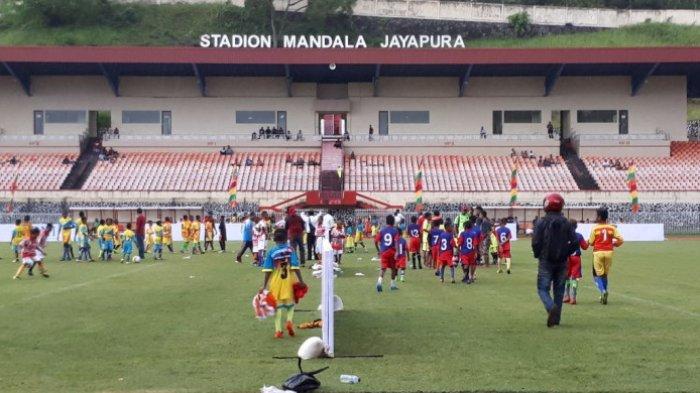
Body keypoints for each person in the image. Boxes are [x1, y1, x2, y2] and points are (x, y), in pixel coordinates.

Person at [532, 193, 579, 327]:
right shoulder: (566, 222)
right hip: (562, 261)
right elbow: (575, 242)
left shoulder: (542, 222)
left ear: (546, 205)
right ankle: (556, 319)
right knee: (559, 290)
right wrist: (566, 252)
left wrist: (537, 254)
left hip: (546, 260)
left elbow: (536, 242)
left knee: (542, 288)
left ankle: (550, 307)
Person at [261, 229, 306, 339]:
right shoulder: (290, 250)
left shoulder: (272, 252)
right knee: (291, 305)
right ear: (286, 238)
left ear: (274, 239)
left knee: (277, 306)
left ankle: (278, 331)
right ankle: (289, 321)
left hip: (276, 282)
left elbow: (268, 270)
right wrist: (301, 280)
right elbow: (295, 267)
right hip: (289, 280)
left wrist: (264, 285)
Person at [588, 207, 624, 305]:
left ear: (599, 217)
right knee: (604, 274)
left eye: (596, 215)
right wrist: (614, 244)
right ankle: (603, 295)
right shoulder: (612, 228)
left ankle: (603, 291)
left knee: (597, 275)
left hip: (598, 253)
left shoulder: (595, 228)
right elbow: (621, 240)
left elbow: (591, 242)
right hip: (609, 252)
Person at [564, 220, 589, 305]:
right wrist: (588, 242)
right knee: (574, 278)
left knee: (566, 277)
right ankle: (573, 298)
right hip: (576, 259)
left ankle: (567, 296)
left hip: (567, 258)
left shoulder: (564, 236)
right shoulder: (579, 236)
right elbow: (585, 247)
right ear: (576, 226)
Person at [376, 215, 400, 292]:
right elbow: (396, 241)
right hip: (392, 252)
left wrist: (379, 250)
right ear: (393, 222)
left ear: (386, 222)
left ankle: (379, 282)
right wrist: (397, 251)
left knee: (383, 268)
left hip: (384, 252)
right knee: (394, 268)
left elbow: (376, 241)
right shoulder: (395, 231)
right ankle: (392, 285)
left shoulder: (382, 230)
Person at [457, 219, 481, 284]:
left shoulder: (462, 233)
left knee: (464, 264)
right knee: (473, 264)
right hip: (472, 252)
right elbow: (475, 244)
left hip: (464, 252)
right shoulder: (474, 233)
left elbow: (459, 243)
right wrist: (476, 252)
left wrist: (458, 250)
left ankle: (466, 276)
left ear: (465, 227)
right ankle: (471, 277)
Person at [436, 219, 457, 284]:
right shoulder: (450, 235)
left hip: (442, 253)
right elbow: (452, 243)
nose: (452, 228)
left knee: (443, 266)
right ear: (447, 227)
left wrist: (439, 253)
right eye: (451, 227)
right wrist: (456, 247)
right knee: (451, 266)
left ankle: (441, 278)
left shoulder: (442, 234)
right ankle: (452, 278)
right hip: (448, 253)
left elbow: (439, 244)